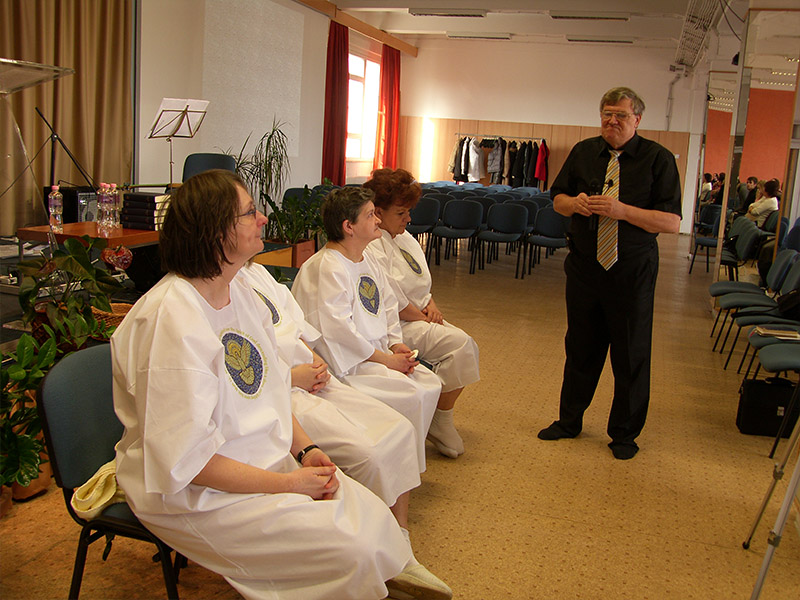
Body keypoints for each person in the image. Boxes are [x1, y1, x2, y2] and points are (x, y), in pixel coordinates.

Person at [111, 170, 444, 600]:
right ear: (215, 231)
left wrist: (305, 450)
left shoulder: (240, 293)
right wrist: (290, 484)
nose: (264, 218)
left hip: (258, 461)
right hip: (196, 492)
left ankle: (385, 569)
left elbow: (270, 390)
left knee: (372, 518)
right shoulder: (170, 320)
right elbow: (187, 462)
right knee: (352, 551)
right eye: (250, 212)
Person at [238, 261, 452, 597]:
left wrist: (313, 359)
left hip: (311, 377)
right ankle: (375, 555)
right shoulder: (220, 290)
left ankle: (399, 538)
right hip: (283, 392)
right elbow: (245, 373)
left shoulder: (257, 273)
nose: (262, 231)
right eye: (252, 227)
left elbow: (296, 329)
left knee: (400, 429)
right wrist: (293, 377)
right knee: (368, 454)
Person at [537, 87, 682, 460]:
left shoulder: (658, 159)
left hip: (632, 270)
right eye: (606, 114)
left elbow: (671, 222)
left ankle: (624, 434)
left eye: (620, 115)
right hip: (585, 267)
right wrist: (575, 203)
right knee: (580, 347)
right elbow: (558, 199)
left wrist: (622, 211)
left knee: (631, 352)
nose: (612, 121)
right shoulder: (584, 152)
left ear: (637, 119)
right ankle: (569, 421)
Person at [291, 187, 442, 475]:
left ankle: (405, 466)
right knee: (411, 393)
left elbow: (388, 304)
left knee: (429, 382)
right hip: (348, 365)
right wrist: (386, 360)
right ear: (349, 227)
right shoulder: (327, 267)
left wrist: (396, 344)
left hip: (377, 353)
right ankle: (395, 467)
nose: (378, 221)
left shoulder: (367, 257)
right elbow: (339, 334)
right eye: (371, 215)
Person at [363, 168, 480, 458]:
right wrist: (425, 316)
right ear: (378, 212)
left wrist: (432, 304)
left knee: (466, 346)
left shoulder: (405, 239)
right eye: (401, 213)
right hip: (395, 326)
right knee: (461, 344)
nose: (408, 219)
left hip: (420, 315)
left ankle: (439, 415)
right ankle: (439, 417)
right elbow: (393, 301)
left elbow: (421, 284)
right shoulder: (373, 245)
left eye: (409, 212)